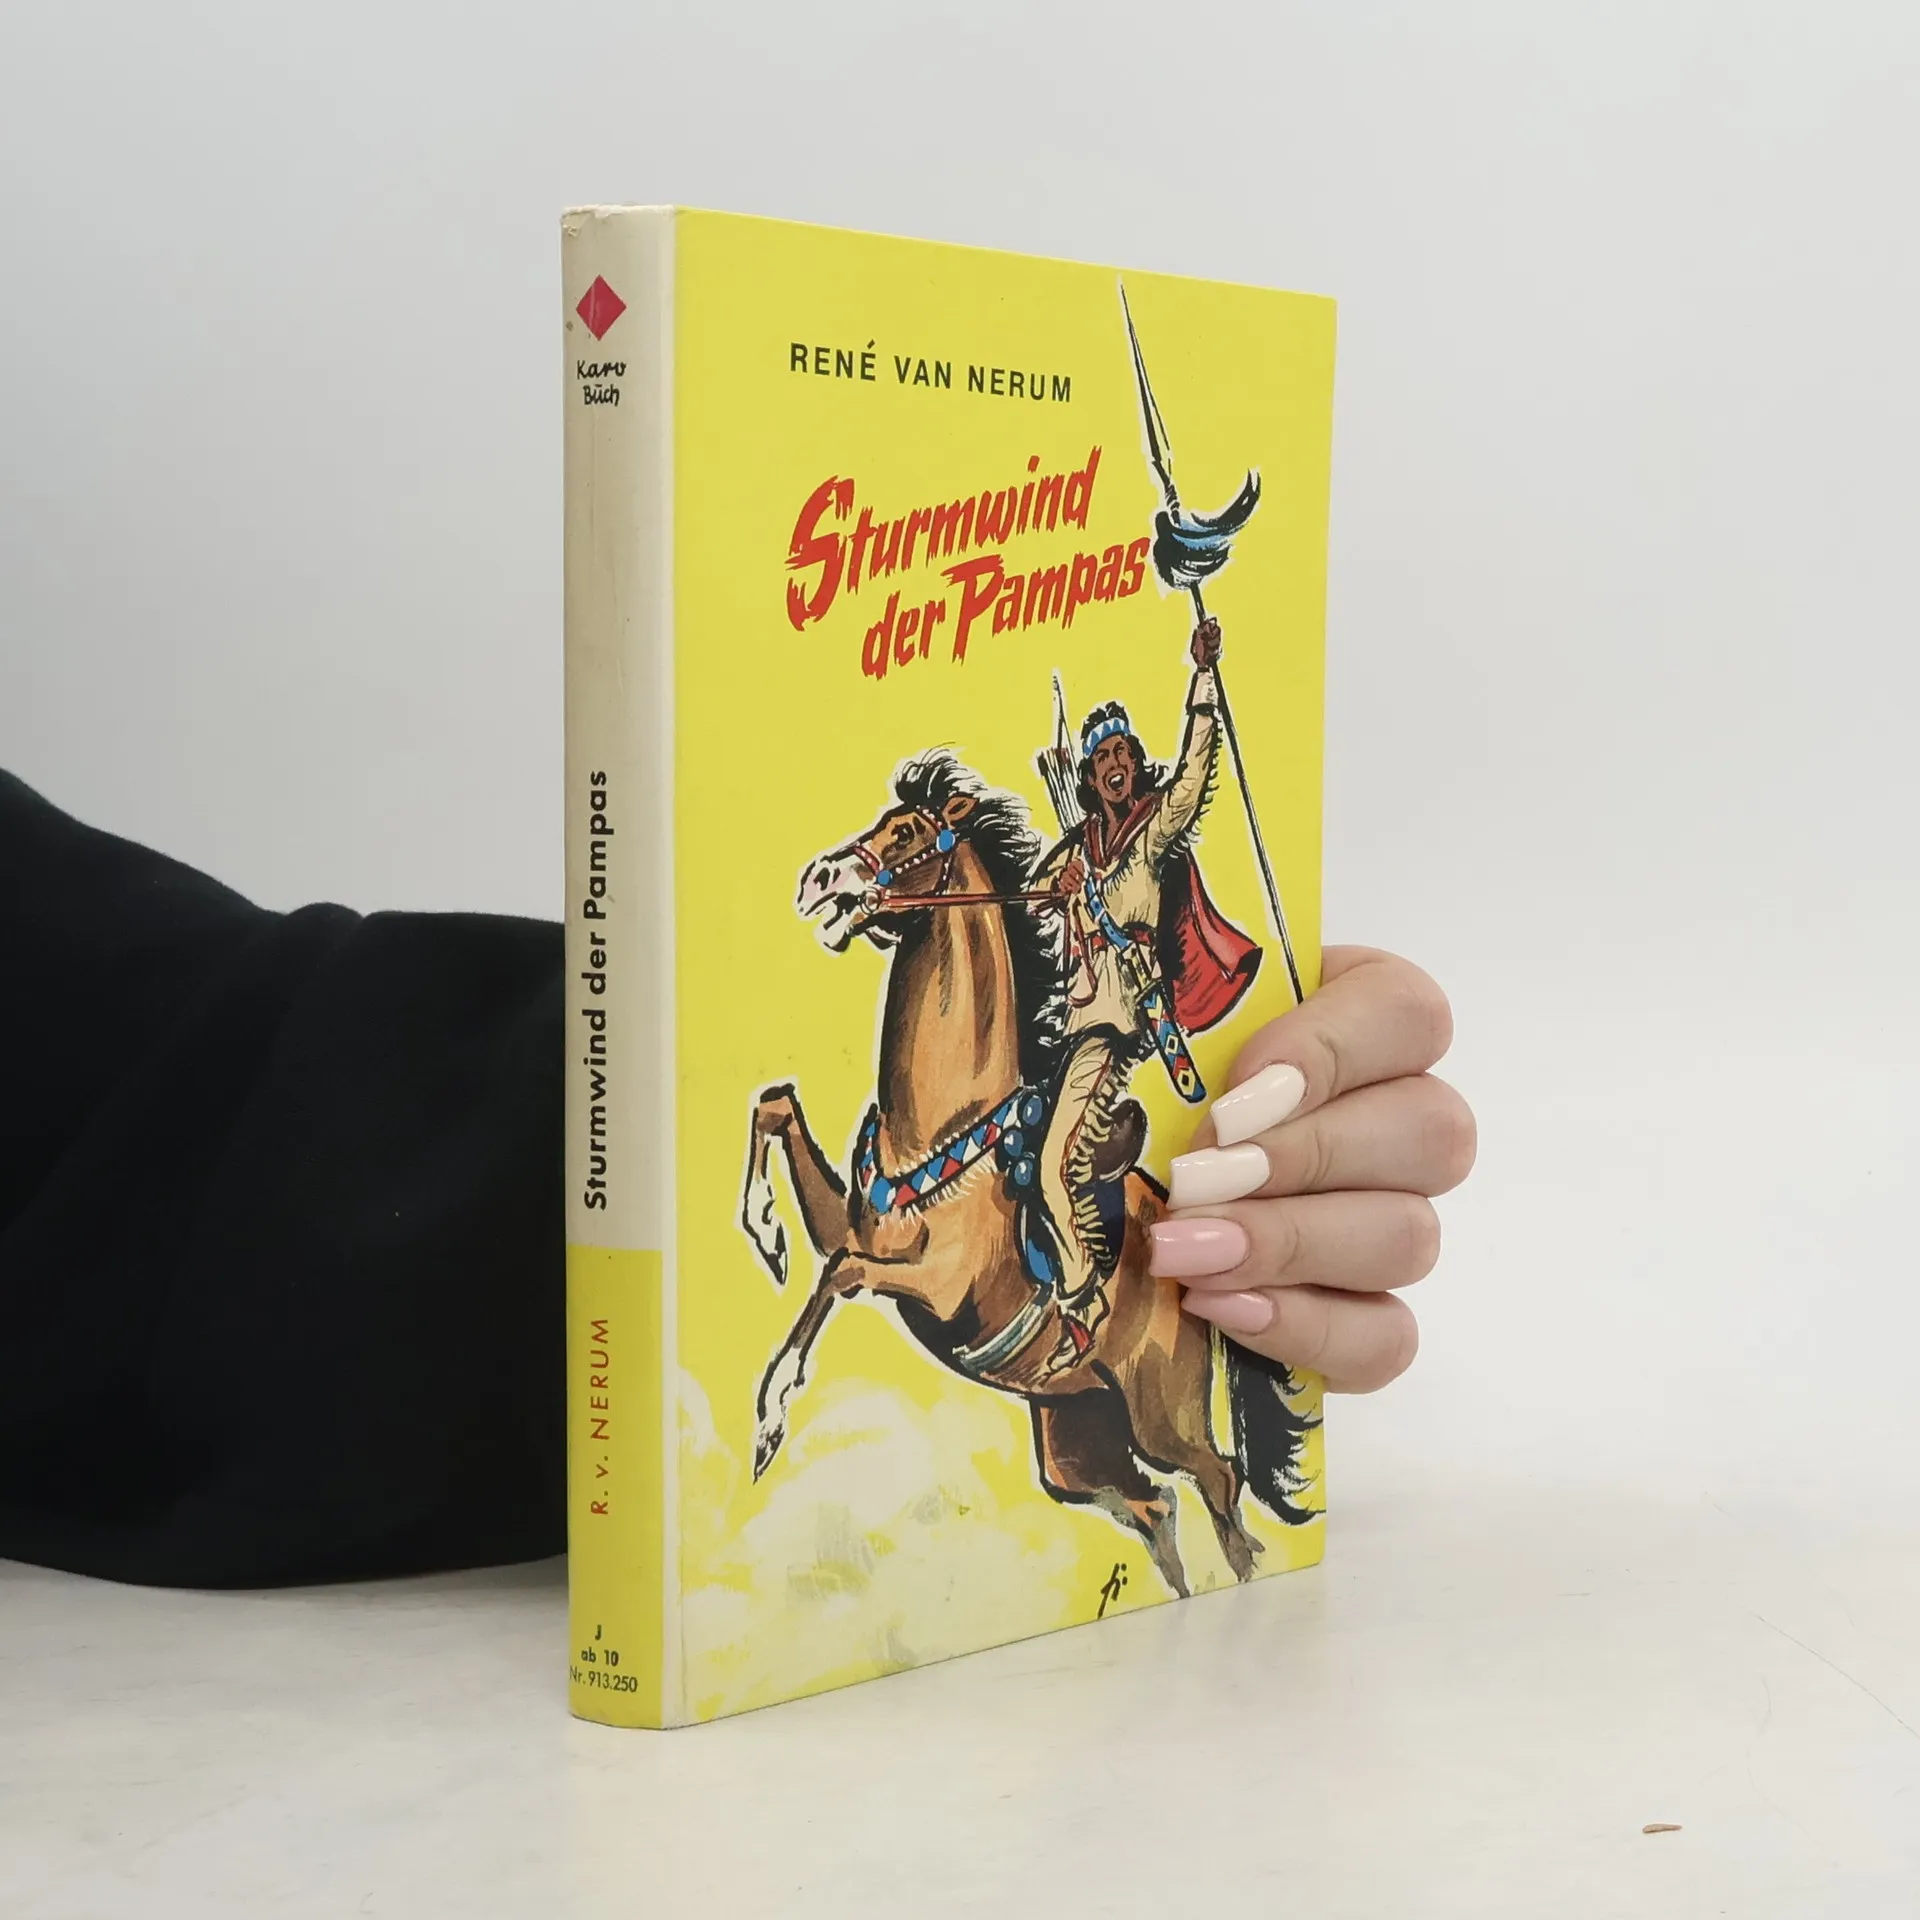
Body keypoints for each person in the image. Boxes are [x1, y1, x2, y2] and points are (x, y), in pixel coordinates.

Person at [0, 764, 1474, 1590]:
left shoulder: (1138, 842)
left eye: (1108, 765)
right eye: (1087, 764)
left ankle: (1090, 1273)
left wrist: (1236, 1096)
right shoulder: (1060, 856)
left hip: (1097, 1041)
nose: (1097, 773)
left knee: (1070, 1126)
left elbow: (156, 1056)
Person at [1028, 612, 1258, 1373]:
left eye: (1123, 753)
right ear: (1090, 777)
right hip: (1066, 1021)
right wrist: (1057, 882)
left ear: (1134, 762)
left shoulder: (1151, 833)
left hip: (1115, 1024)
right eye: (1102, 759)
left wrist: (1203, 679)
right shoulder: (1079, 847)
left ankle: (1083, 1301)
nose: (1115, 765)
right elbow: (1030, 898)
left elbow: (1193, 774)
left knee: (1058, 1166)